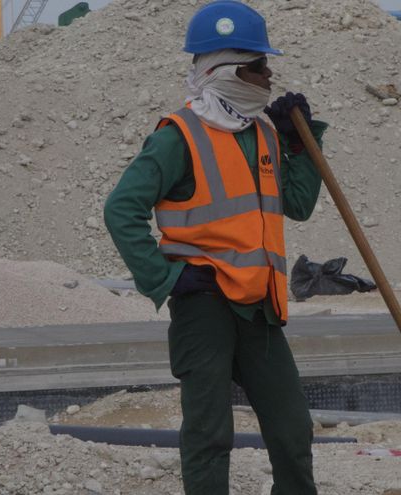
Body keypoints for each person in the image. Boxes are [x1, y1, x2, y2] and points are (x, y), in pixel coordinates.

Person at [104, 1, 328, 493]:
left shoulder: (263, 132)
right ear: (225, 70)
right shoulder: (178, 136)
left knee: (292, 428)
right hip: (204, 304)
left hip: (259, 307)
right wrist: (166, 277)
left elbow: (297, 204)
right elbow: (121, 209)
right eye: (258, 66)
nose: (269, 76)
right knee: (209, 433)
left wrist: (300, 143)